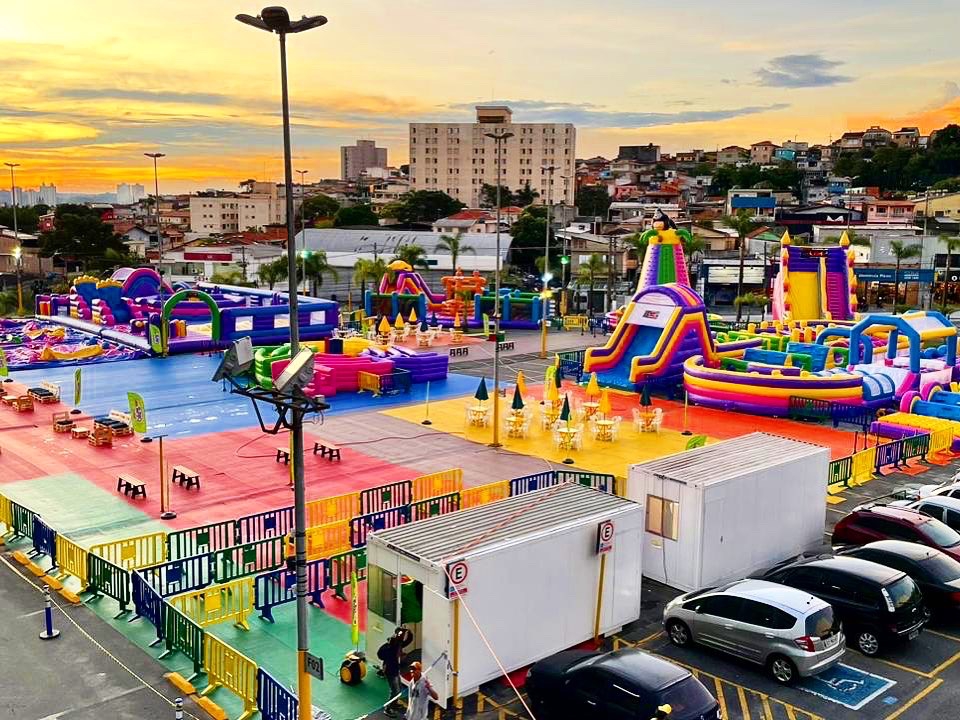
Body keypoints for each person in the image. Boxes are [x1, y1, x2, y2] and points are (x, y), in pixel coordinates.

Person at [377, 627, 413, 717]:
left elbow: (407, 641)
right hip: (391, 671)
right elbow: (380, 654)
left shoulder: (396, 646)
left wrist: (409, 633)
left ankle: (394, 704)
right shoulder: (390, 648)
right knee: (395, 690)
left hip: (394, 670)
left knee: (398, 688)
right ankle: (388, 708)